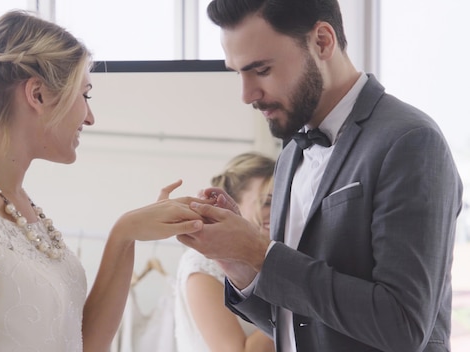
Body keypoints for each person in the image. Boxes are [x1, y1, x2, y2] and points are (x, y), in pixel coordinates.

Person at [175, 1, 464, 351]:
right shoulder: (289, 155)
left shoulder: (410, 141)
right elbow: (299, 326)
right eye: (238, 73)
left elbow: (402, 327)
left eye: (262, 70)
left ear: (323, 41)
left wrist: (260, 253)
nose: (246, 94)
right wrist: (240, 265)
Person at [0, 10, 208, 352]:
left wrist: (126, 234)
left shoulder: (17, 202)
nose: (91, 116)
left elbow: (86, 343)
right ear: (37, 95)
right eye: (85, 95)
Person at [174, 152, 276, 352]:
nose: (277, 209)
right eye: (267, 202)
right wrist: (298, 300)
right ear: (232, 203)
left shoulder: (274, 252)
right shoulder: (202, 264)